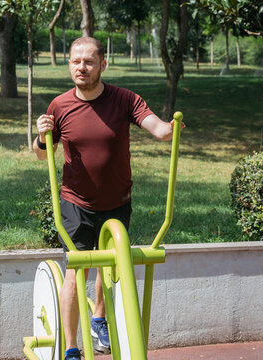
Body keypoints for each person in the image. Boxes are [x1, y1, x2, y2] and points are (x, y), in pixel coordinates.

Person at [33, 37, 184, 360]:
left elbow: (156, 127)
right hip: (76, 202)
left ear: (103, 64)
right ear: (69, 64)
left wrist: (170, 129)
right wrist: (40, 135)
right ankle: (71, 346)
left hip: (117, 200)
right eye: (76, 61)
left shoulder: (124, 99)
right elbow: (41, 152)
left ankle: (99, 318)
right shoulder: (59, 106)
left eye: (89, 61)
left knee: (110, 266)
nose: (81, 67)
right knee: (76, 271)